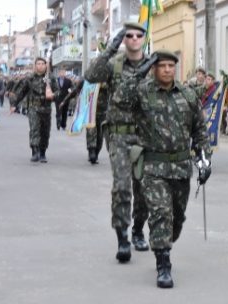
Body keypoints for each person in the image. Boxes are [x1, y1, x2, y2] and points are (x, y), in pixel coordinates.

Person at [115, 50, 210, 288]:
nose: (167, 69)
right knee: (160, 213)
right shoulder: (142, 92)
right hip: (152, 167)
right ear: (154, 69)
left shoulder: (187, 94)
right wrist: (140, 71)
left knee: (176, 219)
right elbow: (119, 97)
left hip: (180, 168)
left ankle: (167, 239)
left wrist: (204, 159)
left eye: (171, 65)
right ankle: (163, 264)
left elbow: (199, 129)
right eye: (162, 65)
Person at [85, 22, 152, 262]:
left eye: (138, 35)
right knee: (122, 186)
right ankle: (122, 236)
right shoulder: (114, 65)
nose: (133, 39)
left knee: (143, 188)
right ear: (123, 40)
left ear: (143, 38)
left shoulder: (153, 66)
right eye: (128, 35)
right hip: (118, 135)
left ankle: (137, 230)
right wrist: (109, 49)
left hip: (145, 136)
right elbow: (90, 76)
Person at [9, 57, 59, 162]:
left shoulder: (51, 78)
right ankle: (35, 151)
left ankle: (42, 153)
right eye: (38, 64)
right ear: (35, 66)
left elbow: (58, 92)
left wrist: (53, 95)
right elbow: (21, 92)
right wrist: (14, 105)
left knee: (45, 131)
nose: (40, 66)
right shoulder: (30, 78)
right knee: (34, 128)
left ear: (46, 65)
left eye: (42, 64)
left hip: (46, 108)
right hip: (33, 108)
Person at [59, 79, 110, 164]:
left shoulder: (106, 80)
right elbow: (74, 91)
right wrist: (64, 101)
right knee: (91, 130)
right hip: (89, 111)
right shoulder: (86, 80)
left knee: (100, 135)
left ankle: (96, 152)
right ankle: (91, 151)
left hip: (103, 113)